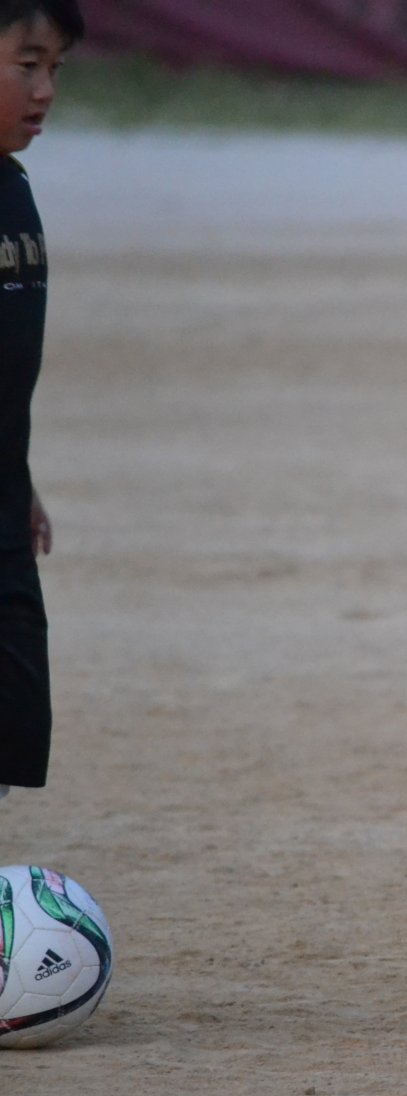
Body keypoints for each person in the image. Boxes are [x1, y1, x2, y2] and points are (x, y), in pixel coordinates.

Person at [0, 0, 80, 802]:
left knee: (11, 732)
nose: (46, 88)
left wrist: (19, 479)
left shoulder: (12, 187)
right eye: (27, 64)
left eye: (55, 68)